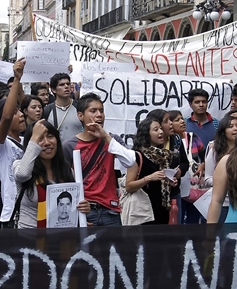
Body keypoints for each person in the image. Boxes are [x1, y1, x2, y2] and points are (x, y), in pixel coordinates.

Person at [61, 93, 137, 227]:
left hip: (110, 210)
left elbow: (130, 161)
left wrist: (106, 137)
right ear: (80, 116)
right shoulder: (69, 145)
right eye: (93, 111)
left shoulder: (112, 140)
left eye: (101, 111)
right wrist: (75, 213)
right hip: (85, 211)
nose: (99, 115)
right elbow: (63, 182)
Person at [13, 121, 88, 228]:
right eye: (40, 139)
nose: (47, 142)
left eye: (50, 136)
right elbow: (23, 174)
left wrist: (82, 209)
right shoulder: (20, 166)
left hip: (61, 240)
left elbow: (70, 207)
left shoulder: (67, 171)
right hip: (29, 239)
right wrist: (34, 136)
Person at [0, 59, 27, 228]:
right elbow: (7, 116)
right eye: (17, 111)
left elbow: (30, 108)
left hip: (30, 212)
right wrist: (16, 79)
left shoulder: (27, 141)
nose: (21, 115)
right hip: (12, 213)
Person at [124, 117, 180, 224]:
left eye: (160, 129)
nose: (160, 132)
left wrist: (169, 181)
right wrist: (150, 178)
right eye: (155, 130)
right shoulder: (137, 156)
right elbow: (129, 186)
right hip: (143, 212)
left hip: (162, 211)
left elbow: (160, 182)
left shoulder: (163, 156)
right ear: (146, 134)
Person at [202, 113, 237, 223]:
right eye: (231, 126)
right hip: (223, 204)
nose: (235, 129)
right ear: (223, 130)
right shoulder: (215, 151)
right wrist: (223, 181)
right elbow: (207, 178)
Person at [42, 73, 83, 143]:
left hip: (78, 151)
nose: (66, 86)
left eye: (68, 84)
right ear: (54, 90)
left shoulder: (79, 107)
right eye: (62, 85)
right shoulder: (47, 110)